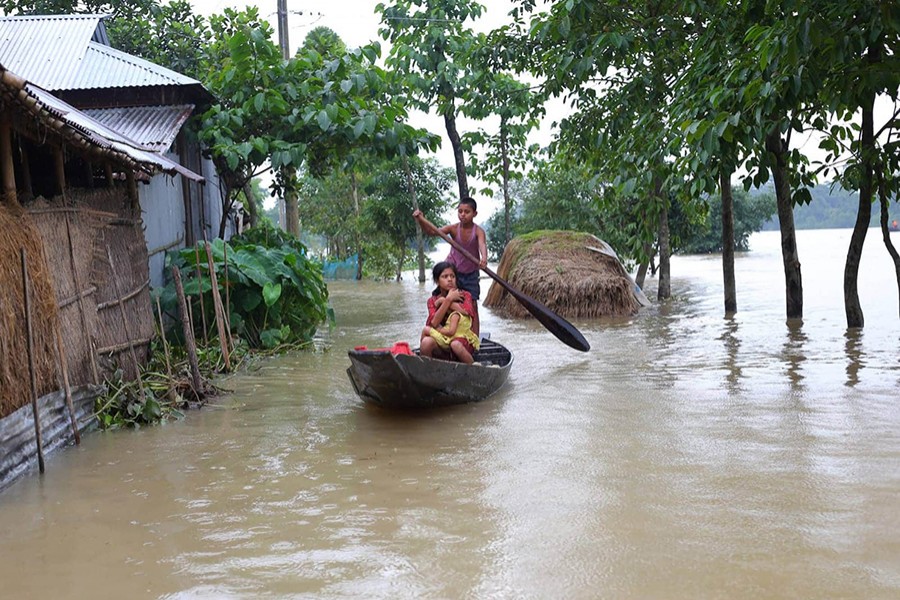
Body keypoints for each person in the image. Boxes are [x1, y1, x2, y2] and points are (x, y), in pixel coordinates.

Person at [412, 197, 488, 336]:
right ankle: (444, 332)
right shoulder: (453, 229)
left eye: (467, 212)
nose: (463, 215)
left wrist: (484, 258)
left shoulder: (478, 231)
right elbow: (432, 232)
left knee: (473, 306)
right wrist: (421, 220)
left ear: (474, 214)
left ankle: (475, 339)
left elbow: (482, 244)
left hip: (471, 274)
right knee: (446, 301)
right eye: (460, 211)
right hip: (454, 273)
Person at [420, 261, 480, 364]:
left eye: (452, 276)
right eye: (445, 276)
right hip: (443, 341)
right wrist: (448, 300)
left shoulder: (465, 295)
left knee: (455, 344)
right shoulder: (432, 300)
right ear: (437, 281)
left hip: (462, 342)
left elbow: (466, 312)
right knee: (426, 342)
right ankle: (429, 374)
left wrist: (445, 301)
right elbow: (433, 323)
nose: (449, 279)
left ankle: (474, 368)